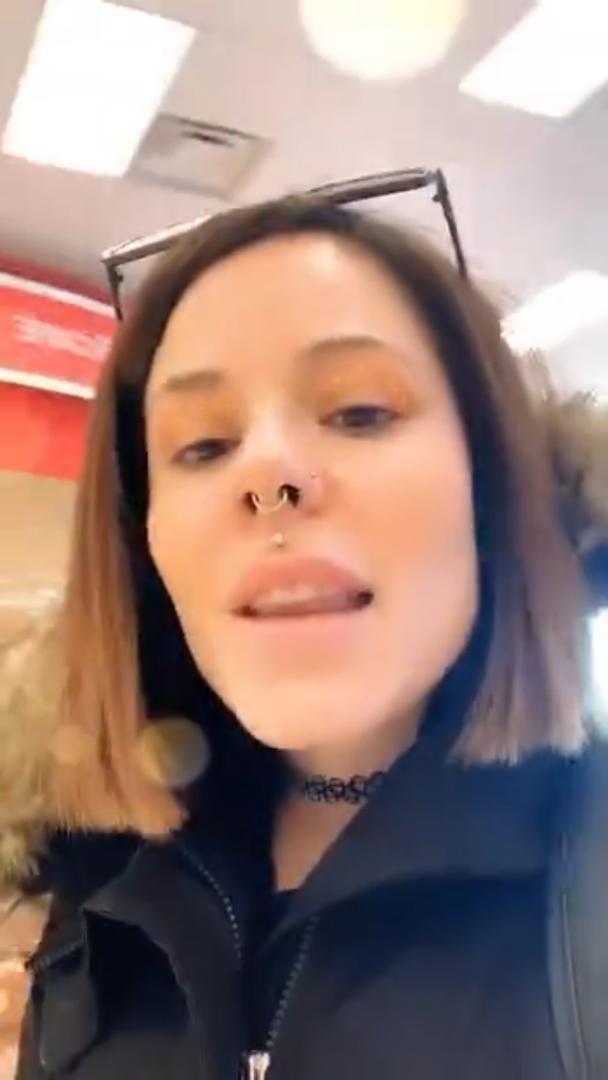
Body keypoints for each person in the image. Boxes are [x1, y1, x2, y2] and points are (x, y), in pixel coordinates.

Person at [1, 196, 607, 1080]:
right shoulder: (95, 868)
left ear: (494, 487)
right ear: (145, 539)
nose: (269, 474)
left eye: (360, 412)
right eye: (203, 445)